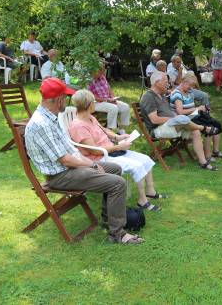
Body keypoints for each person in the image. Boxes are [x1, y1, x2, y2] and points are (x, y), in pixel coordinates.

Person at [24, 78, 142, 244]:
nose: (67, 101)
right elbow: (66, 160)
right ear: (58, 100)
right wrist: (92, 164)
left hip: (69, 169)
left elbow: (71, 150)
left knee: (114, 168)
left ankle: (109, 219)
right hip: (60, 176)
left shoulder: (51, 118)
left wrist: (91, 164)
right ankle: (118, 234)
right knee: (118, 183)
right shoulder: (41, 124)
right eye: (65, 97)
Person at [69, 89, 163, 211]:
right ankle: (142, 201)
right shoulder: (78, 126)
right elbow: (95, 151)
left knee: (146, 159)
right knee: (137, 165)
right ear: (89, 104)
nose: (95, 102)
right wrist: (119, 146)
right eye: (94, 101)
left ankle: (150, 191)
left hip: (111, 151)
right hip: (100, 158)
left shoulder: (90, 117)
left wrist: (117, 137)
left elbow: (104, 130)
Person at [140, 71, 219, 170]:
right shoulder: (148, 97)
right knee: (182, 119)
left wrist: (176, 118)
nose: (168, 83)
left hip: (172, 125)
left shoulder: (162, 95)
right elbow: (154, 120)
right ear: (157, 82)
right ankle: (204, 128)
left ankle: (203, 162)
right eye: (165, 81)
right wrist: (175, 119)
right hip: (158, 130)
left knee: (195, 131)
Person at [170, 75, 222, 161]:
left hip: (194, 115)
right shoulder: (177, 94)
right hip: (186, 119)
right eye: (190, 86)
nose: (191, 88)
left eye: (192, 86)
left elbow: (191, 107)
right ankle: (207, 155)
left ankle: (216, 151)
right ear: (184, 82)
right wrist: (197, 108)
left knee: (216, 124)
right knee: (209, 127)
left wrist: (202, 108)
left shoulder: (188, 91)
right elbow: (180, 112)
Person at [87, 63, 130, 134]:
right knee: (113, 108)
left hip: (107, 101)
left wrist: (113, 98)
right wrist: (107, 100)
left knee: (125, 107)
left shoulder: (102, 77)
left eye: (102, 70)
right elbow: (93, 97)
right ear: (93, 71)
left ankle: (121, 129)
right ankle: (110, 130)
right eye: (100, 71)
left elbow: (109, 88)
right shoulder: (88, 80)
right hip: (95, 103)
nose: (102, 73)